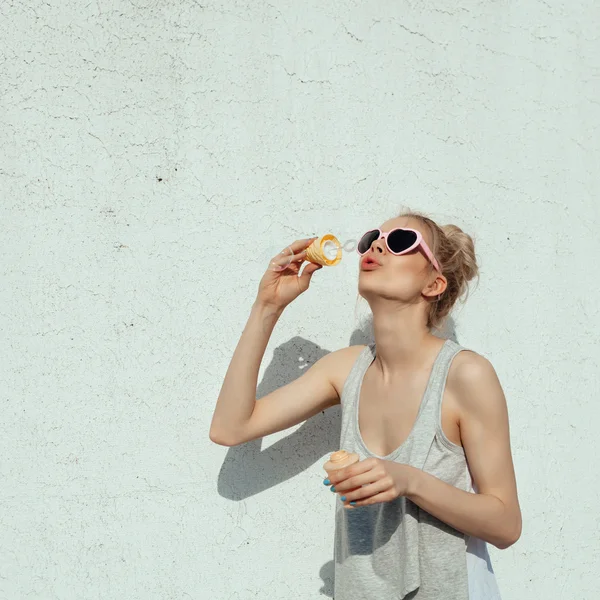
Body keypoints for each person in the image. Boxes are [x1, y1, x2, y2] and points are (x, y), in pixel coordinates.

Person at [209, 210, 522, 600]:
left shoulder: (465, 375)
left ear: (434, 283)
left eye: (401, 241)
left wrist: (409, 480)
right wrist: (267, 307)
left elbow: (506, 523)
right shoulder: (346, 369)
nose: (376, 244)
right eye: (372, 237)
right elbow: (230, 427)